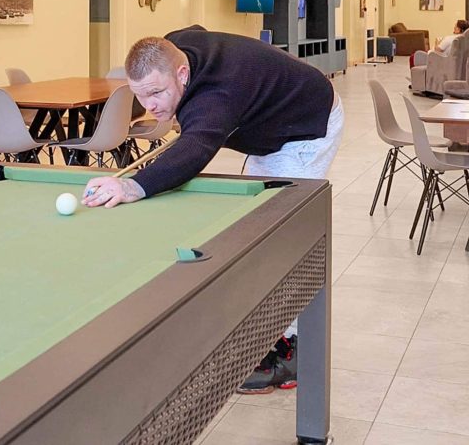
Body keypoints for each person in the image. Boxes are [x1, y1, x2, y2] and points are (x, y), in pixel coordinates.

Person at [83, 25, 344, 393]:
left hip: (306, 127)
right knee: (259, 223)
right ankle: (266, 330)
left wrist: (130, 185)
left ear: (183, 74)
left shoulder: (217, 96)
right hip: (274, 117)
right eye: (142, 97)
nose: (151, 106)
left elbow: (194, 152)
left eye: (157, 93)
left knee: (280, 235)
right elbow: (196, 31)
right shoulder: (174, 45)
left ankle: (291, 352)